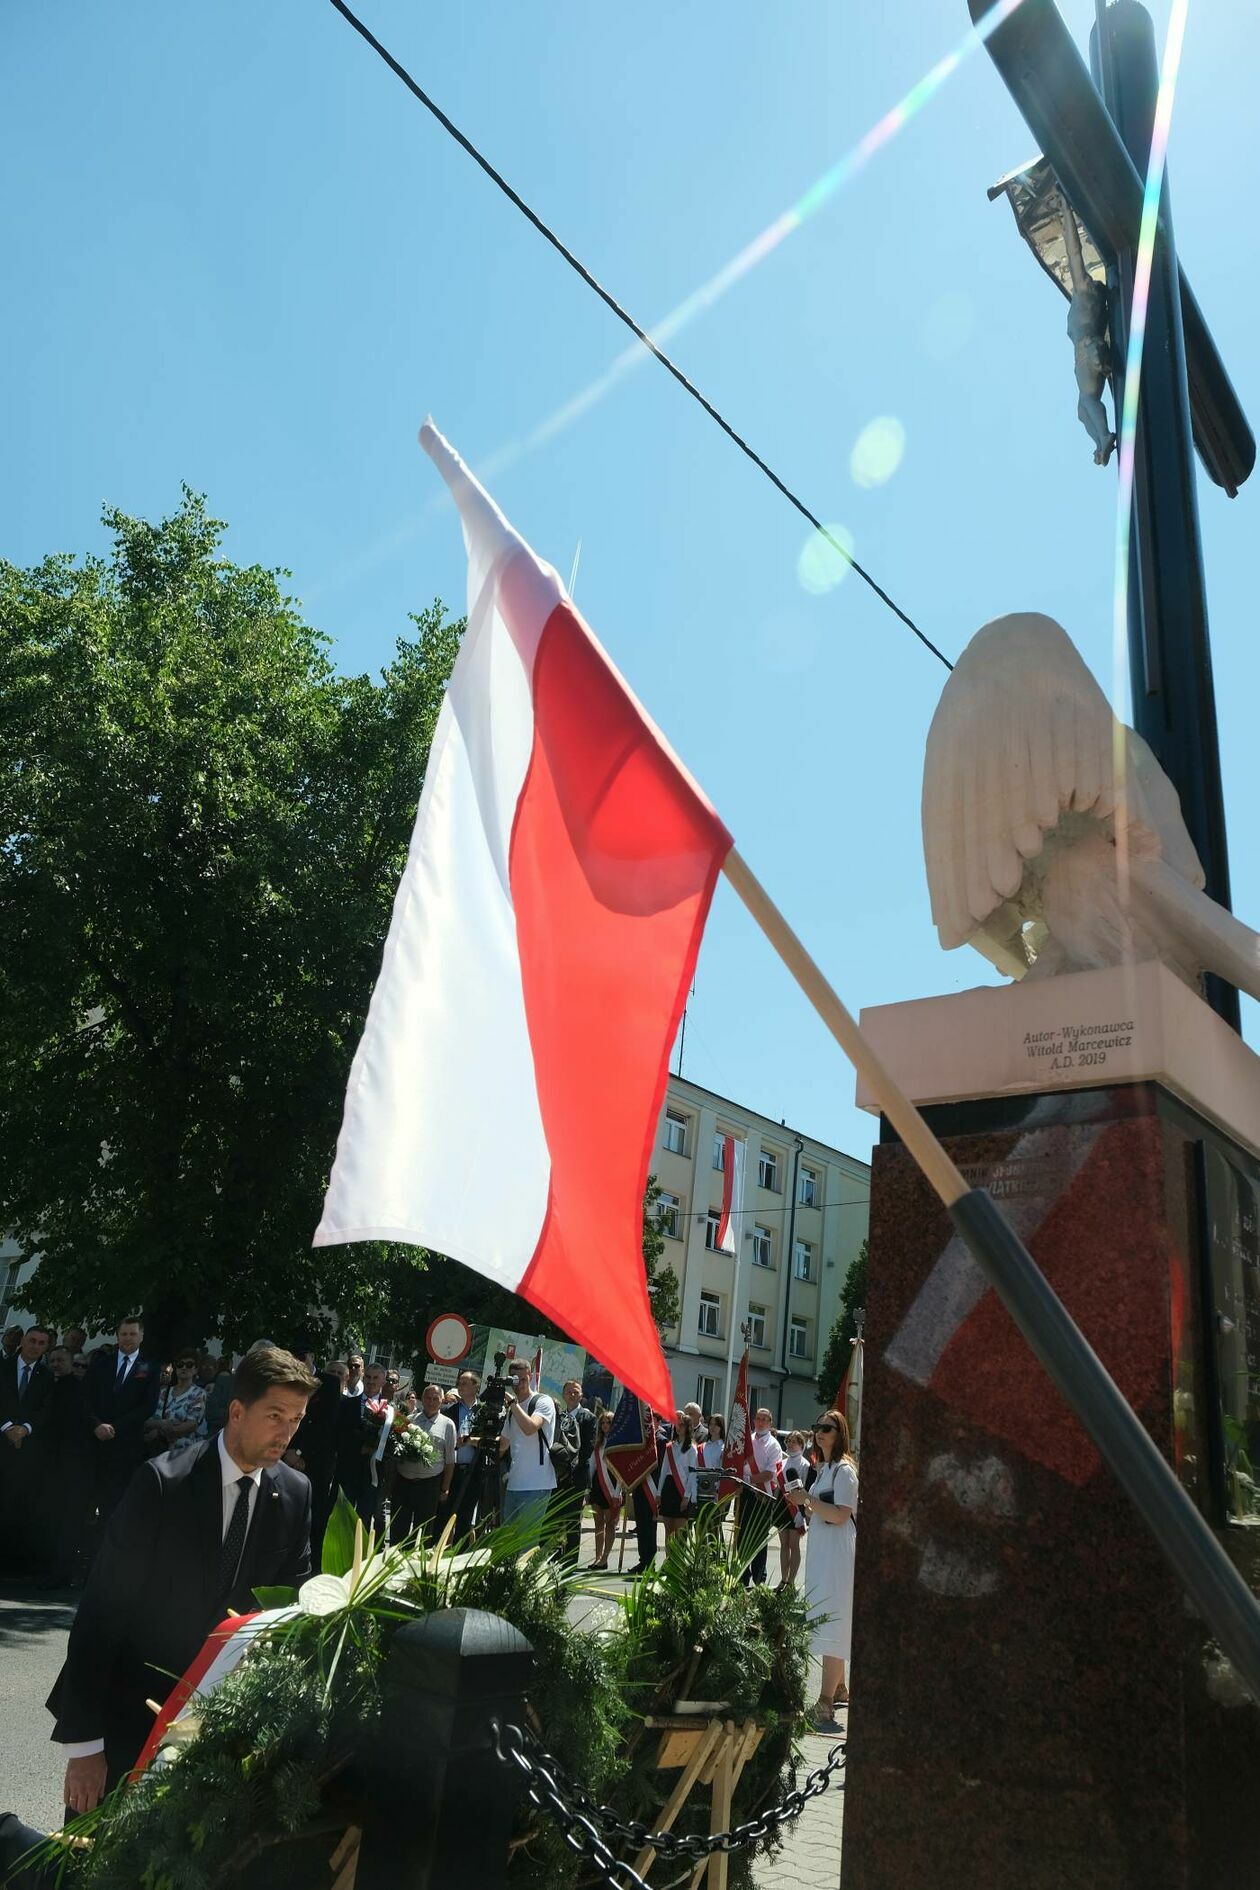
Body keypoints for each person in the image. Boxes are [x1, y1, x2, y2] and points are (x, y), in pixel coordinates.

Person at [49, 1343, 317, 1812]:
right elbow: (100, 1614)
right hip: (128, 1721)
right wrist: (85, 1745)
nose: (287, 1432)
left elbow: (289, 1611)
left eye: (296, 1419)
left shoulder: (294, 1494)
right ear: (236, 1411)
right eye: (275, 1415)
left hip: (218, 1735)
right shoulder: (162, 1484)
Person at [790, 1409, 858, 1730]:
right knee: (828, 1615)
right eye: (817, 1427)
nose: (819, 1432)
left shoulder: (845, 1471)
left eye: (826, 1428)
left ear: (839, 1432)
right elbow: (821, 1509)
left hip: (837, 1555)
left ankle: (825, 1702)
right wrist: (803, 1500)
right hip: (822, 1552)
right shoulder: (823, 1467)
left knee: (833, 1621)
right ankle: (841, 1687)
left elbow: (842, 1514)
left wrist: (809, 1501)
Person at [85, 1318, 161, 1523]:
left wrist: (115, 1428)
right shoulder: (101, 1364)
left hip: (125, 1446)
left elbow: (148, 1406)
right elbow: (85, 1399)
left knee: (115, 1504)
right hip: (95, 1442)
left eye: (132, 1334)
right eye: (124, 1334)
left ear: (141, 1336)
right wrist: (96, 1425)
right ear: (118, 1336)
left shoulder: (150, 1368)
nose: (128, 1338)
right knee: (86, 1500)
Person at [0, 1325, 53, 1576]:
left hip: (27, 1452)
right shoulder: (3, 1367)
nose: (35, 1346)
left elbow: (47, 1409)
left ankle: (10, 1563)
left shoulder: (46, 1375)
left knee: (16, 1506)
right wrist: (8, 1427)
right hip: (1, 1441)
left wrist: (25, 1429)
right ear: (22, 1340)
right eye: (32, 1340)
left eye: (42, 1343)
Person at [499, 1358, 555, 1542]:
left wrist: (513, 1404)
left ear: (530, 1377)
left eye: (523, 1379)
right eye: (515, 1379)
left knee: (526, 1543)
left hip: (537, 1484)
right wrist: (470, 1440)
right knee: (507, 1541)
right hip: (514, 1483)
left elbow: (530, 1427)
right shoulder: (511, 1410)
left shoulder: (543, 1401)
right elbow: (502, 1445)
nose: (519, 1383)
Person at [391, 1384, 456, 1544]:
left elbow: (450, 1461)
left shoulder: (448, 1424)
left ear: (442, 1401)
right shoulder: (408, 1419)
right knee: (398, 1529)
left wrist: (445, 1488)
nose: (432, 1402)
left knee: (423, 1531)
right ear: (422, 1399)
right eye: (428, 1397)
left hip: (429, 1486)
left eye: (436, 1399)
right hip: (403, 1483)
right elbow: (394, 1450)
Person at [550, 1380, 595, 1564]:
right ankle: (551, 1556)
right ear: (563, 1394)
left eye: (575, 1391)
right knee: (552, 1518)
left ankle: (569, 1561)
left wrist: (570, 1466)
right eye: (568, 1391)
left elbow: (588, 1448)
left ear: (581, 1395)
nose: (572, 1394)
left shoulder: (588, 1418)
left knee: (572, 1521)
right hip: (556, 1477)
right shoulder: (557, 1415)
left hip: (576, 1477)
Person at [738, 1408, 784, 1586]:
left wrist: (749, 1478)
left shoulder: (774, 1445)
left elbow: (770, 1473)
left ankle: (759, 1577)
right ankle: (742, 1576)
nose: (760, 1422)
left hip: (763, 1495)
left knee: (758, 1537)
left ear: (770, 1423)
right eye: (758, 1418)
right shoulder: (747, 1441)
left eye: (764, 1419)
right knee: (742, 1536)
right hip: (745, 1493)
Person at [144, 1351, 207, 1458]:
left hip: (183, 1453)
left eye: (189, 1365)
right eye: (180, 1364)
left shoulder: (198, 1393)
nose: (184, 1367)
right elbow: (148, 1420)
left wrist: (161, 1431)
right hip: (159, 1452)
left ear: (196, 1370)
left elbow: (192, 1424)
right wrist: (161, 1424)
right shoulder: (164, 1392)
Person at [445, 1368, 482, 1541]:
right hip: (452, 1470)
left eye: (465, 1383)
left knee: (466, 1518)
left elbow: (493, 1440)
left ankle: (460, 1556)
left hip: (474, 1472)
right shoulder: (448, 1410)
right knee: (446, 1514)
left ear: (476, 1386)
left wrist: (470, 1440)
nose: (460, 1386)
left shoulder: (484, 1411)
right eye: (459, 1383)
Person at [587, 1407, 623, 1570]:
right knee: (598, 1523)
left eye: (609, 1422)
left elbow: (622, 1470)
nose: (605, 1425)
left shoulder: (620, 1443)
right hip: (597, 1486)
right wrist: (588, 1490)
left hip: (613, 1486)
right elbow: (592, 1466)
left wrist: (617, 1493)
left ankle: (605, 1558)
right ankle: (597, 1557)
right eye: (603, 1422)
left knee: (610, 1523)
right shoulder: (598, 1443)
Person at [656, 1413, 698, 1546]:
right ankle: (668, 1563)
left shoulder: (692, 1449)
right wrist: (659, 1492)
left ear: (687, 1428)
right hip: (669, 1488)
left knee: (679, 1532)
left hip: (682, 1490)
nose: (677, 1428)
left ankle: (677, 1565)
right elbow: (663, 1470)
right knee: (668, 1530)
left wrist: (687, 1496)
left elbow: (692, 1474)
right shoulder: (670, 1446)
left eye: (681, 1425)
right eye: (676, 1425)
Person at [776, 1431, 810, 1589]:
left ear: (801, 1445)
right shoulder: (782, 1463)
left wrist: (800, 1512)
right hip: (782, 1505)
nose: (790, 1445)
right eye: (788, 1442)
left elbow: (804, 1487)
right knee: (783, 1544)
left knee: (793, 1544)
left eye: (794, 1442)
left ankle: (791, 1582)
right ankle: (783, 1579)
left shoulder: (805, 1464)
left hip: (796, 1507)